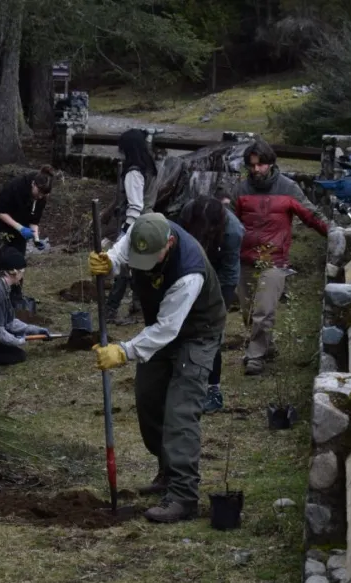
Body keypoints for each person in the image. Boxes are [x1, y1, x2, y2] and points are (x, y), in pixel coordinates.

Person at [88, 213, 226, 523]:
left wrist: (123, 351)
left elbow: (167, 329)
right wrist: (109, 261)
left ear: (170, 243)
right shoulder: (144, 230)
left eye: (151, 258)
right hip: (161, 329)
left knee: (180, 412)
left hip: (197, 334)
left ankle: (183, 495)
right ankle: (167, 470)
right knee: (148, 400)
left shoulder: (189, 273)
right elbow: (123, 250)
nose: (143, 264)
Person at [226, 139, 329, 376]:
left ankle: (255, 357)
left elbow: (311, 215)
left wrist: (334, 234)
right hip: (245, 258)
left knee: (264, 309)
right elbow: (228, 221)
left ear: (271, 164)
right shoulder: (240, 190)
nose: (256, 170)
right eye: (252, 166)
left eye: (261, 165)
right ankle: (266, 347)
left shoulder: (288, 188)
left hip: (275, 260)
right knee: (249, 312)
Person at [172, 196, 244, 414]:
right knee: (178, 323)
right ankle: (179, 377)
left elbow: (230, 274)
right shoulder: (188, 209)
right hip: (188, 267)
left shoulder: (233, 232)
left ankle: (213, 390)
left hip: (220, 275)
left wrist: (217, 303)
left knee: (211, 332)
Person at [106, 128, 159, 324]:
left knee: (124, 266)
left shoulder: (134, 172)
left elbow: (135, 206)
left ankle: (111, 310)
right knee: (139, 267)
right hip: (149, 220)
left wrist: (125, 231)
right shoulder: (150, 167)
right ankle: (138, 307)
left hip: (138, 223)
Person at [0, 165, 56, 305]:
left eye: (44, 194)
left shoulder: (42, 197)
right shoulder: (16, 186)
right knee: (2, 259)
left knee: (18, 260)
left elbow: (34, 221)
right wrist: (20, 228)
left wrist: (36, 239)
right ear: (33, 184)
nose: (40, 196)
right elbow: (0, 211)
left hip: (19, 227)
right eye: (39, 192)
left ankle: (15, 297)